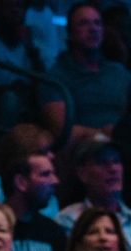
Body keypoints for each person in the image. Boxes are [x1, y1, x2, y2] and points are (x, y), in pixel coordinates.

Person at [40, 3, 131, 146]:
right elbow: (62, 132)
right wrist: (104, 135)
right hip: (86, 151)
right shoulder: (56, 77)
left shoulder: (118, 72)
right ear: (70, 33)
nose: (93, 29)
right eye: (84, 23)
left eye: (97, 23)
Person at [56, 139, 131, 247]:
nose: (113, 169)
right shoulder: (69, 220)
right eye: (102, 162)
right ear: (82, 174)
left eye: (116, 161)